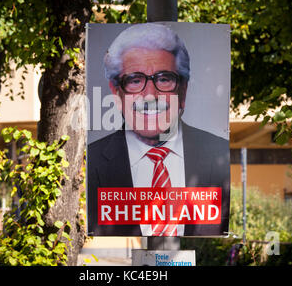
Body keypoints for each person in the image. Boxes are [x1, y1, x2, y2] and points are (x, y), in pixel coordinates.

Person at [87, 23, 230, 236]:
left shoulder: (218, 152)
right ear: (116, 94)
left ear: (183, 90)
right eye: (135, 80)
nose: (150, 95)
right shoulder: (91, 160)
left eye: (164, 79)